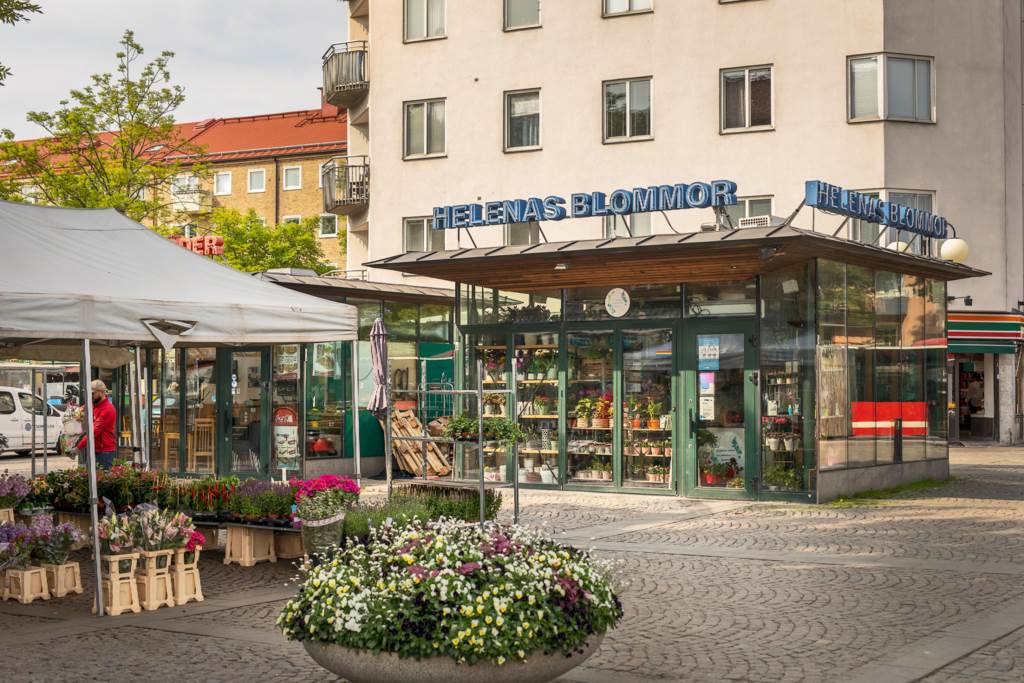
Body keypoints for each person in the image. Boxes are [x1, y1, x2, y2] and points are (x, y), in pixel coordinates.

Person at [76, 379, 117, 469]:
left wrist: (78, 447)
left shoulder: (107, 409)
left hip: (104, 451)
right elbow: (82, 409)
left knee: (103, 479)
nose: (90, 396)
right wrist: (78, 412)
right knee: (90, 478)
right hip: (94, 448)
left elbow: (94, 431)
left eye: (93, 393)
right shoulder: (94, 404)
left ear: (101, 392)